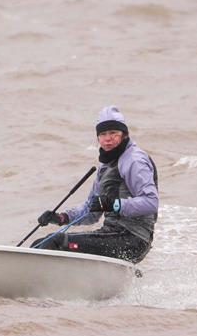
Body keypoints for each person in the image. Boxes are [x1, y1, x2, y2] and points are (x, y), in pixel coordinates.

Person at [32, 105, 158, 264]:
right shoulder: (106, 166)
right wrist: (61, 217)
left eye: (113, 133)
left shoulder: (134, 161)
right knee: (41, 243)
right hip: (110, 235)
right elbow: (91, 210)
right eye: (103, 134)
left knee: (56, 242)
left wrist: (114, 205)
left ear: (124, 135)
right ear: (98, 138)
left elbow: (151, 202)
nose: (108, 138)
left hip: (133, 239)